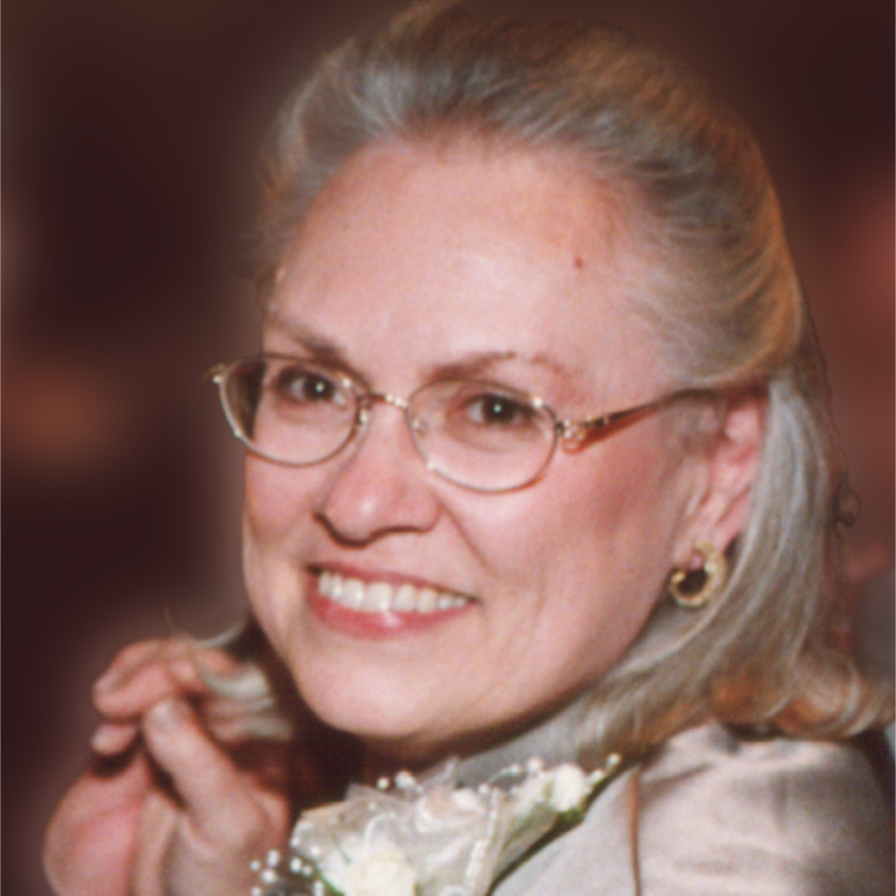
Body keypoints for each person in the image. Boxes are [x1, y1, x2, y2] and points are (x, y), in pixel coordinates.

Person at [43, 3, 896, 894]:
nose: (358, 501)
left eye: (495, 411)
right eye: (315, 385)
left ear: (717, 475)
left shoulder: (725, 855)